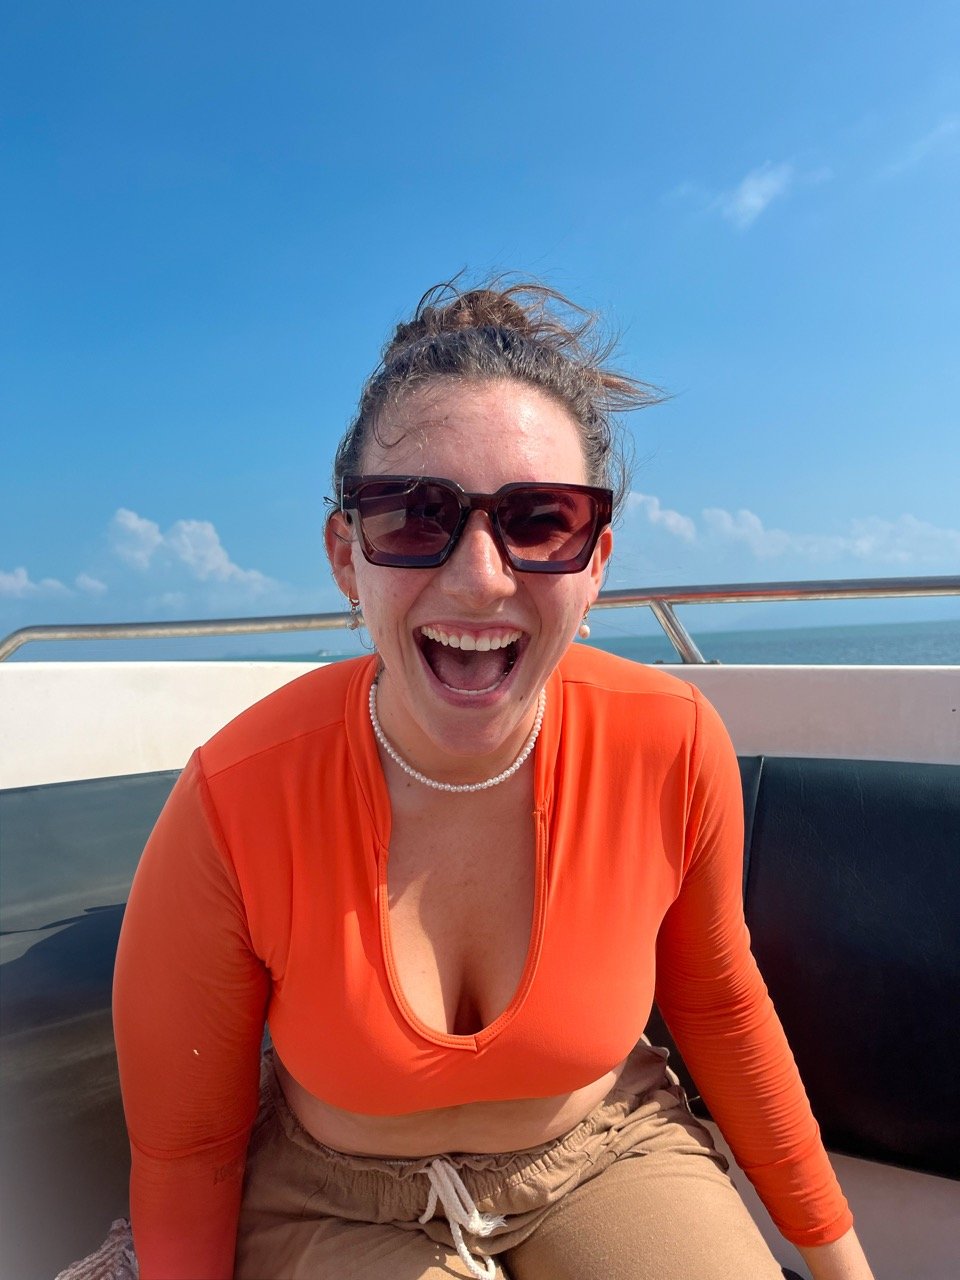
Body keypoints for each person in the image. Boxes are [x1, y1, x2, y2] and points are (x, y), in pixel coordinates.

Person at [113, 281, 875, 1280]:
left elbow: (724, 1009)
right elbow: (188, 1150)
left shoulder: (670, 743)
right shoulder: (235, 796)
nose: (479, 575)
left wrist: (841, 1262)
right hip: (336, 1195)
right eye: (414, 514)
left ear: (595, 563)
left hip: (604, 1149)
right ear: (348, 556)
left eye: (541, 521)